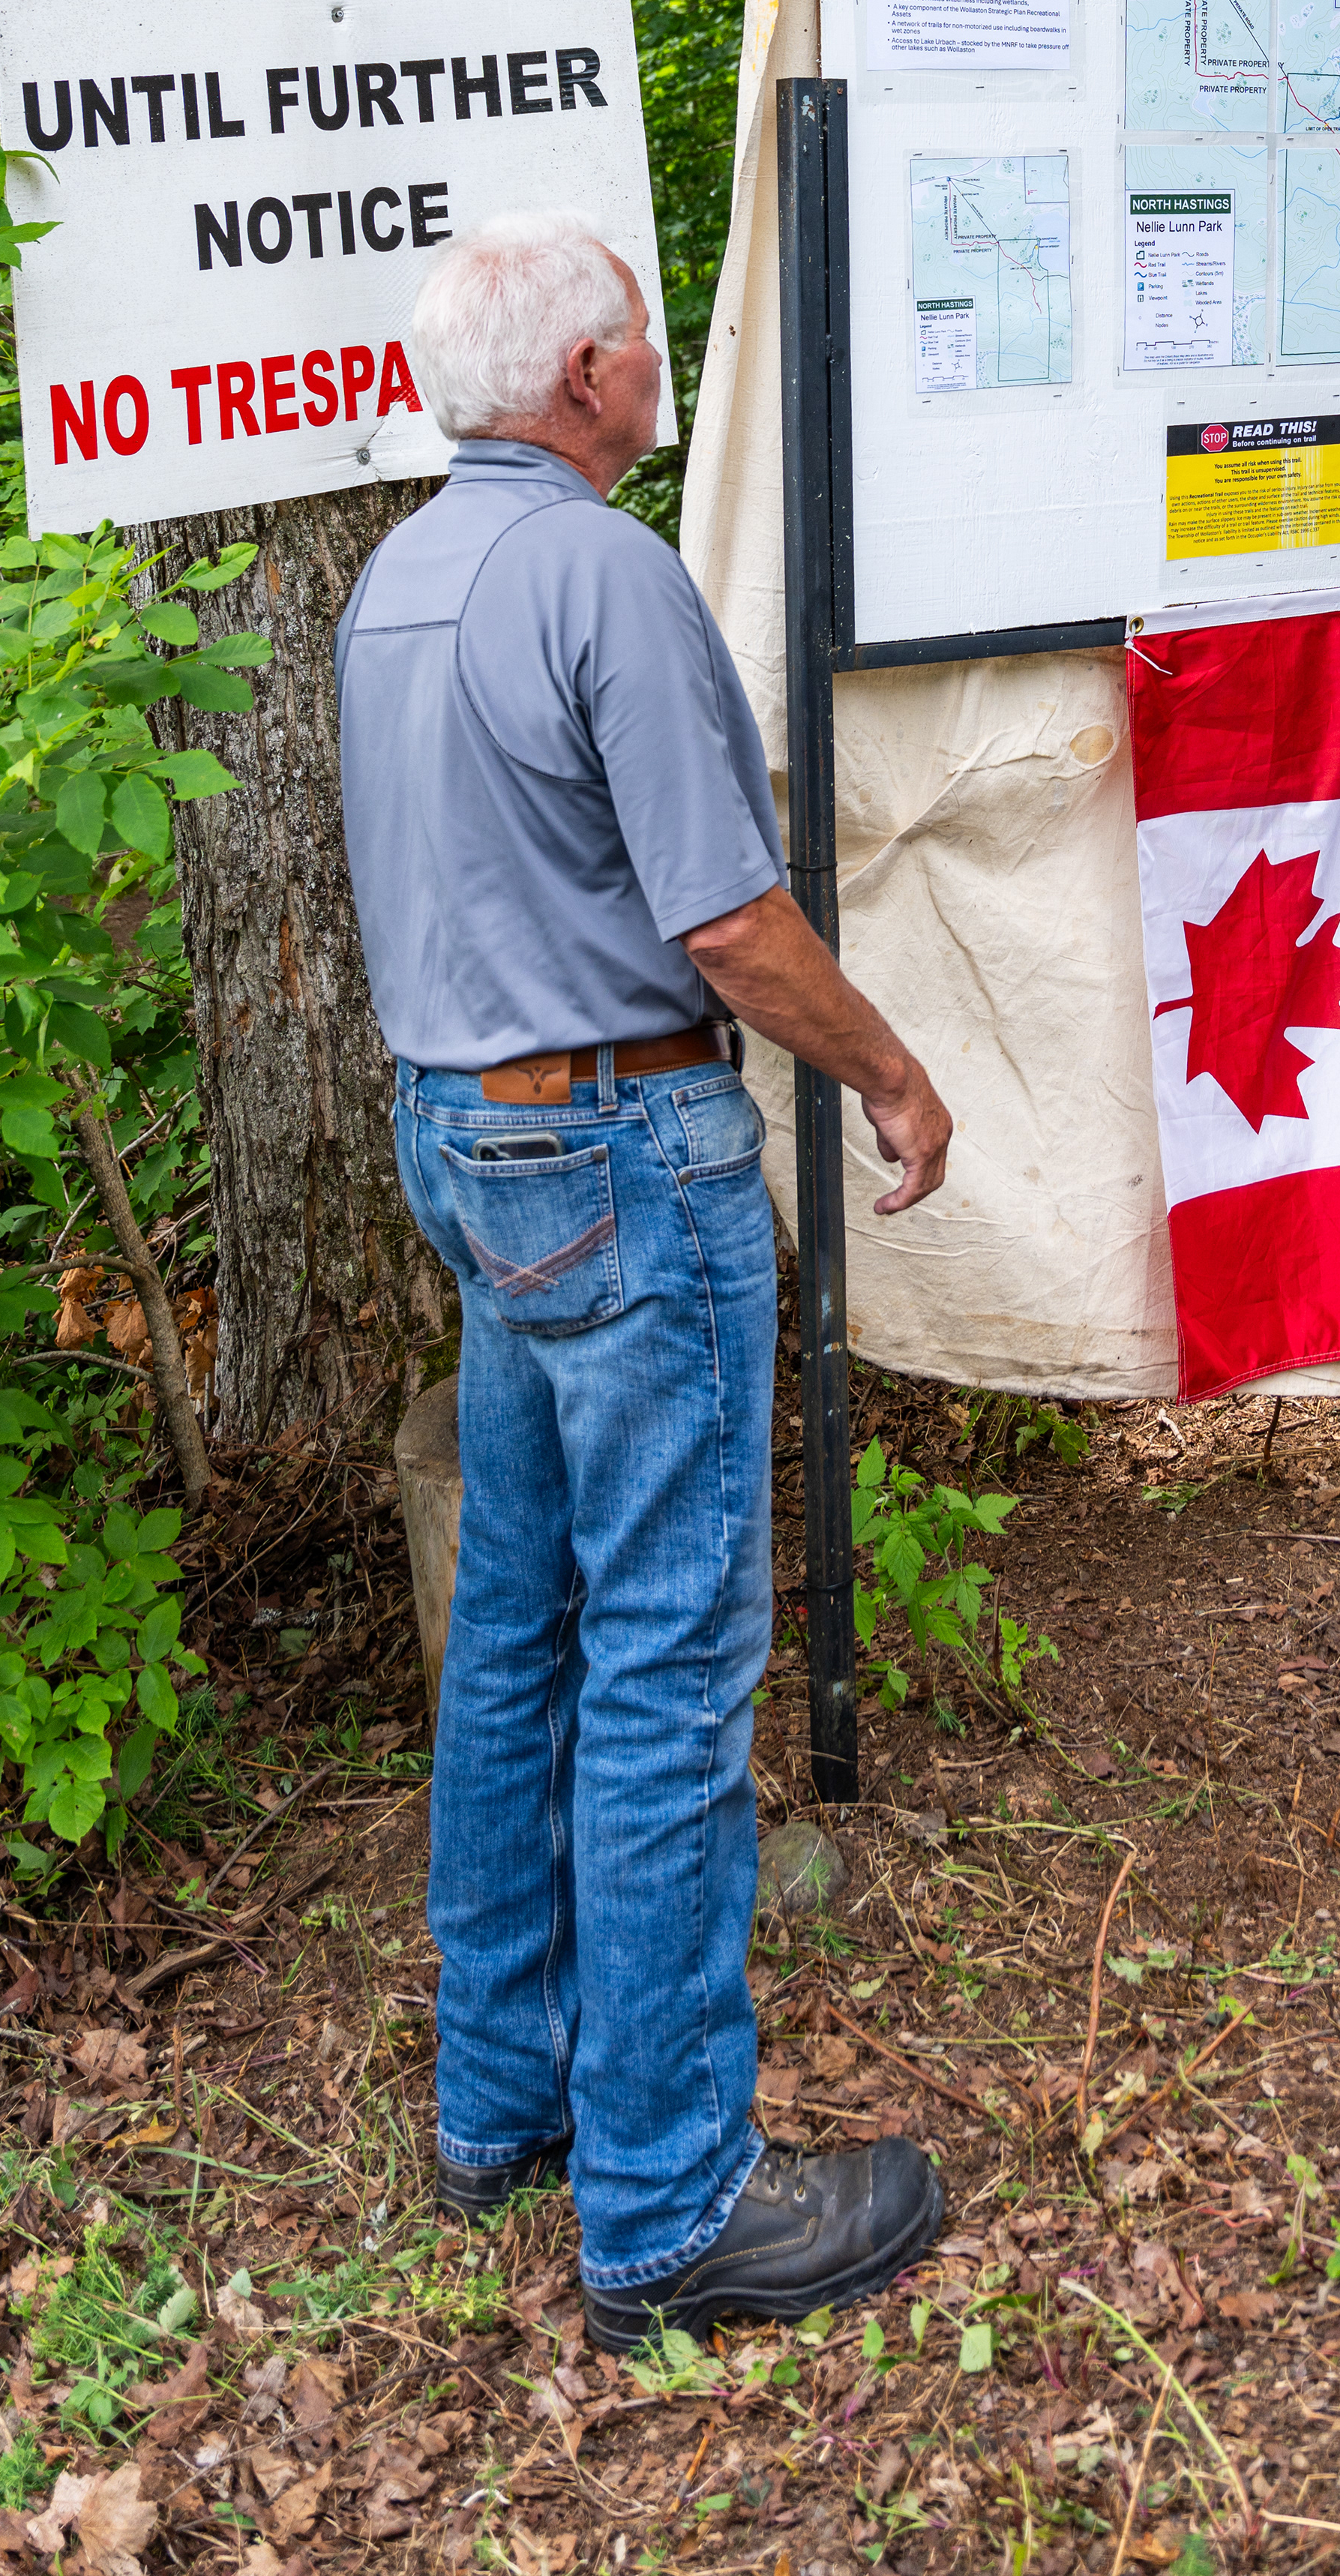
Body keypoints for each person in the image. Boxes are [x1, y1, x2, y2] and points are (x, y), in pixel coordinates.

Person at [335, 210, 958, 2348]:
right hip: (619, 1148)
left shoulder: (398, 575)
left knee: (516, 1630)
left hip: (468, 1144)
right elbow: (731, 926)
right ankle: (672, 2206)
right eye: (634, 340)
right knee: (675, 1664)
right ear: (584, 379)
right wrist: (892, 1070)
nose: (652, 362)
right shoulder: (606, 571)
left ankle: (498, 2101)